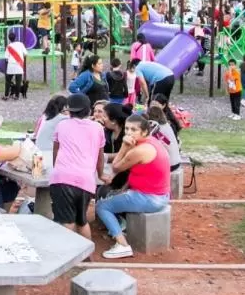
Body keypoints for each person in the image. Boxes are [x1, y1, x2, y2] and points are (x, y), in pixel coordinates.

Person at [97, 113, 171, 259]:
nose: (129, 133)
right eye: (127, 129)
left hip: (149, 198)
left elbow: (116, 167)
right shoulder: (151, 142)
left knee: (101, 206)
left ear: (144, 132)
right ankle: (121, 226)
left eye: (133, 130)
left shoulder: (139, 150)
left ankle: (122, 245)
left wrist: (124, 146)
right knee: (114, 194)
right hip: (160, 194)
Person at [50, 94, 106, 239]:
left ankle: (66, 256)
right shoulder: (98, 128)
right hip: (85, 181)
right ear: (89, 110)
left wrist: (57, 168)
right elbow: (100, 156)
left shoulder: (61, 125)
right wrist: (100, 175)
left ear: (69, 111)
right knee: (81, 221)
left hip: (62, 178)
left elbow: (56, 150)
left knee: (66, 221)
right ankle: (88, 257)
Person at [4, 30, 28, 100]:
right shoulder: (20, 44)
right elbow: (25, 53)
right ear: (16, 37)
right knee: (18, 81)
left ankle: (6, 95)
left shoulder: (9, 46)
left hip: (11, 65)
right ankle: (17, 96)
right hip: (19, 64)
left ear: (9, 39)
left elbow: (6, 58)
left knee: (8, 81)